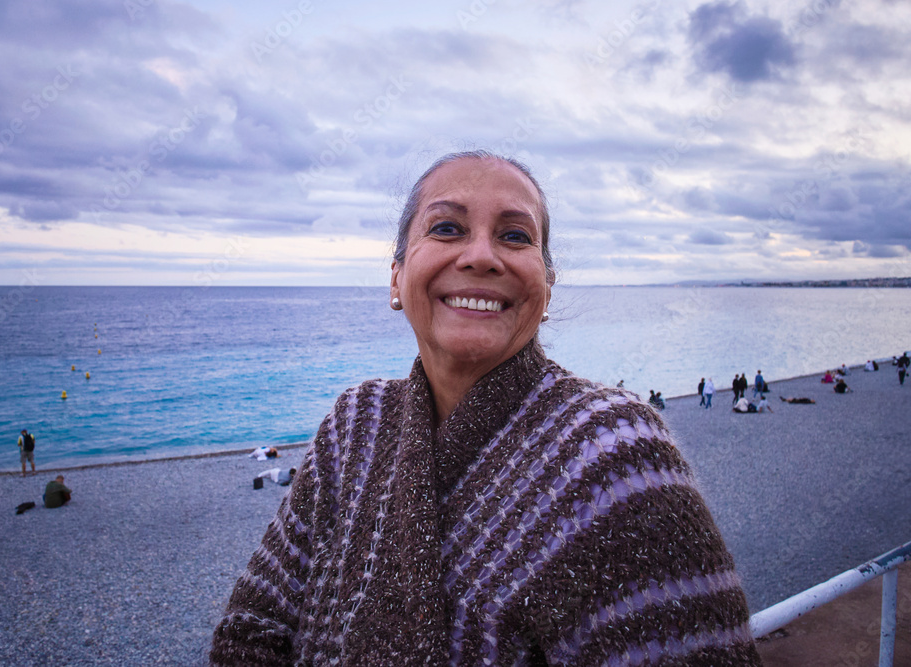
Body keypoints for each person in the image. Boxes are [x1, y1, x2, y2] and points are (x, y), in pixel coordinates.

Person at [210, 151, 761, 666]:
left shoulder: (613, 451)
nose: (480, 256)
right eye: (446, 228)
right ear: (397, 275)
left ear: (546, 286)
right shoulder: (355, 423)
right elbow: (253, 629)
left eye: (514, 236)